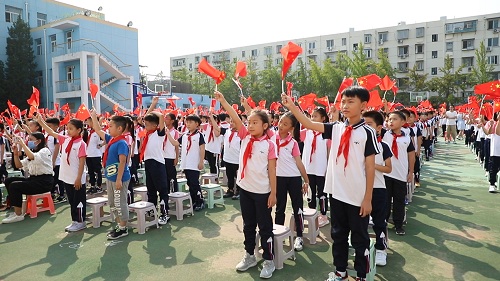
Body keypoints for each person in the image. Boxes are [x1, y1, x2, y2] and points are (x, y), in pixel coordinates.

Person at [282, 86, 378, 281]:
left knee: (360, 239)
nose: (345, 105)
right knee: (339, 235)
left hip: (358, 196)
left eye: (351, 102)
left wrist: (368, 198)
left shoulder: (367, 132)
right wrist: (292, 106)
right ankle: (340, 272)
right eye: (343, 101)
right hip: (337, 193)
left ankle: (361, 275)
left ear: (363, 106)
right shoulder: (336, 127)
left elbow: (370, 168)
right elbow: (308, 123)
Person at [215, 90, 277, 279]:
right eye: (248, 122)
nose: (249, 126)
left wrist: (273, 194)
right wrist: (223, 100)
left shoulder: (269, 144)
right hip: (245, 189)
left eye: (255, 122)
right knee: (248, 225)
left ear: (265, 125)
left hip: (262, 192)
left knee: (265, 227)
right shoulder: (245, 136)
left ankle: (268, 260)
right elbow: (234, 116)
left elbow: (273, 171)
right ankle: (250, 255)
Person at [38, 115, 88, 232]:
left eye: (71, 128)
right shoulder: (65, 139)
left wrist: (79, 178)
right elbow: (51, 131)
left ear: (79, 130)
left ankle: (81, 221)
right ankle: (74, 221)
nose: (68, 131)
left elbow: (81, 163)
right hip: (66, 176)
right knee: (71, 200)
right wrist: (41, 122)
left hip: (77, 177)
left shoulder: (81, 144)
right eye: (68, 128)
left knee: (78, 201)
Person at [91, 111, 132, 239]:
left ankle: (123, 228)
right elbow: (97, 129)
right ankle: (120, 225)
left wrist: (119, 179)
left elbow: (123, 161)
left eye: (110, 126)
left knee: (120, 203)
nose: (108, 128)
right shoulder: (112, 139)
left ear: (119, 128)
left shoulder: (122, 143)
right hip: (110, 177)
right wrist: (93, 116)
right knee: (112, 203)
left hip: (119, 179)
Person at [274, 111, 309, 251]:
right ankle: (278, 234)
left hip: (294, 179)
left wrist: (306, 180)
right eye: (281, 121)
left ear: (292, 128)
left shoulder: (293, 143)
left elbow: (299, 163)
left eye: (285, 124)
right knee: (279, 209)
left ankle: (299, 236)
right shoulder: (271, 139)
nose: (281, 125)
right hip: (278, 179)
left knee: (297, 208)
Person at [1, 132, 54, 223]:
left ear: (39, 141)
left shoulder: (45, 151)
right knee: (9, 180)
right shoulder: (32, 152)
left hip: (44, 182)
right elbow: (18, 165)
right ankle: (16, 209)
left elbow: (33, 157)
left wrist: (22, 144)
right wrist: (15, 154)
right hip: (33, 179)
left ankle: (18, 215)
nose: (29, 142)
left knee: (14, 186)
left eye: (31, 140)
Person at [362, 110, 392, 266]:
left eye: (369, 125)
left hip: (378, 188)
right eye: (363, 124)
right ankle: (364, 247)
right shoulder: (358, 144)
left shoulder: (383, 146)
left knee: (379, 221)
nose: (365, 128)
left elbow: (389, 168)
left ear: (379, 128)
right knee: (361, 221)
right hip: (360, 189)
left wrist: (373, 165)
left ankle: (381, 249)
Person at [382, 111, 415, 236]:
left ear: (402, 122)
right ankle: (383, 222)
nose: (391, 121)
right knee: (385, 200)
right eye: (390, 119)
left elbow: (411, 156)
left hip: (400, 175)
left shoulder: (406, 138)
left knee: (399, 201)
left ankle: (398, 224)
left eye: (394, 119)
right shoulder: (384, 134)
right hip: (386, 174)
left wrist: (410, 172)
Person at [141, 97, 170, 224]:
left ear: (154, 125)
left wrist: (157, 112)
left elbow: (161, 118)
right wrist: (152, 104)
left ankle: (165, 213)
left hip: (158, 163)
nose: (145, 126)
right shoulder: (147, 134)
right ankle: (152, 213)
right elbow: (146, 117)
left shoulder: (159, 133)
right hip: (148, 162)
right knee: (151, 189)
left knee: (162, 189)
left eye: (147, 124)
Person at [301, 107, 331, 227]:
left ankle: (323, 214)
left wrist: (328, 168)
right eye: (311, 116)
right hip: (309, 168)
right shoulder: (306, 132)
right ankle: (312, 213)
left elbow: (329, 152)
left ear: (323, 118)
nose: (312, 119)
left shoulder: (326, 134)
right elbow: (294, 132)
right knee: (310, 191)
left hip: (321, 169)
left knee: (322, 192)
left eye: (315, 116)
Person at [178, 114, 206, 211]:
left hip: (194, 163)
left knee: (195, 183)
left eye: (190, 122)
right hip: (186, 163)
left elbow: (202, 149)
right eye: (187, 122)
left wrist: (201, 161)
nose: (188, 124)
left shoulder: (199, 135)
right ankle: (194, 200)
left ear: (197, 124)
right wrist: (168, 134)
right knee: (189, 182)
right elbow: (176, 143)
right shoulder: (185, 135)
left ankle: (200, 201)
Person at [218, 115, 242, 199]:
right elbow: (217, 129)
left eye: (234, 122)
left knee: (238, 177)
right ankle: (230, 190)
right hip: (228, 158)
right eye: (231, 121)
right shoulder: (227, 131)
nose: (231, 123)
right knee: (230, 176)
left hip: (237, 159)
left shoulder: (241, 134)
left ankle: (239, 191)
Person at [42, 118, 65, 203]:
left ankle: (62, 194)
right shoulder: (47, 136)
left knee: (59, 179)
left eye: (50, 126)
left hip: (56, 162)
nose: (47, 128)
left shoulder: (56, 136)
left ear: (56, 127)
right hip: (48, 161)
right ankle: (52, 194)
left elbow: (56, 149)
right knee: (51, 179)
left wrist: (53, 161)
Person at [163, 112, 180, 193]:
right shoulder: (162, 131)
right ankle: (166, 192)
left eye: (167, 118)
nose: (165, 120)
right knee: (164, 176)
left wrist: (176, 158)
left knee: (172, 177)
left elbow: (176, 146)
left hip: (170, 157)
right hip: (162, 157)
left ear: (172, 121)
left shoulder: (175, 132)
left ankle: (174, 192)